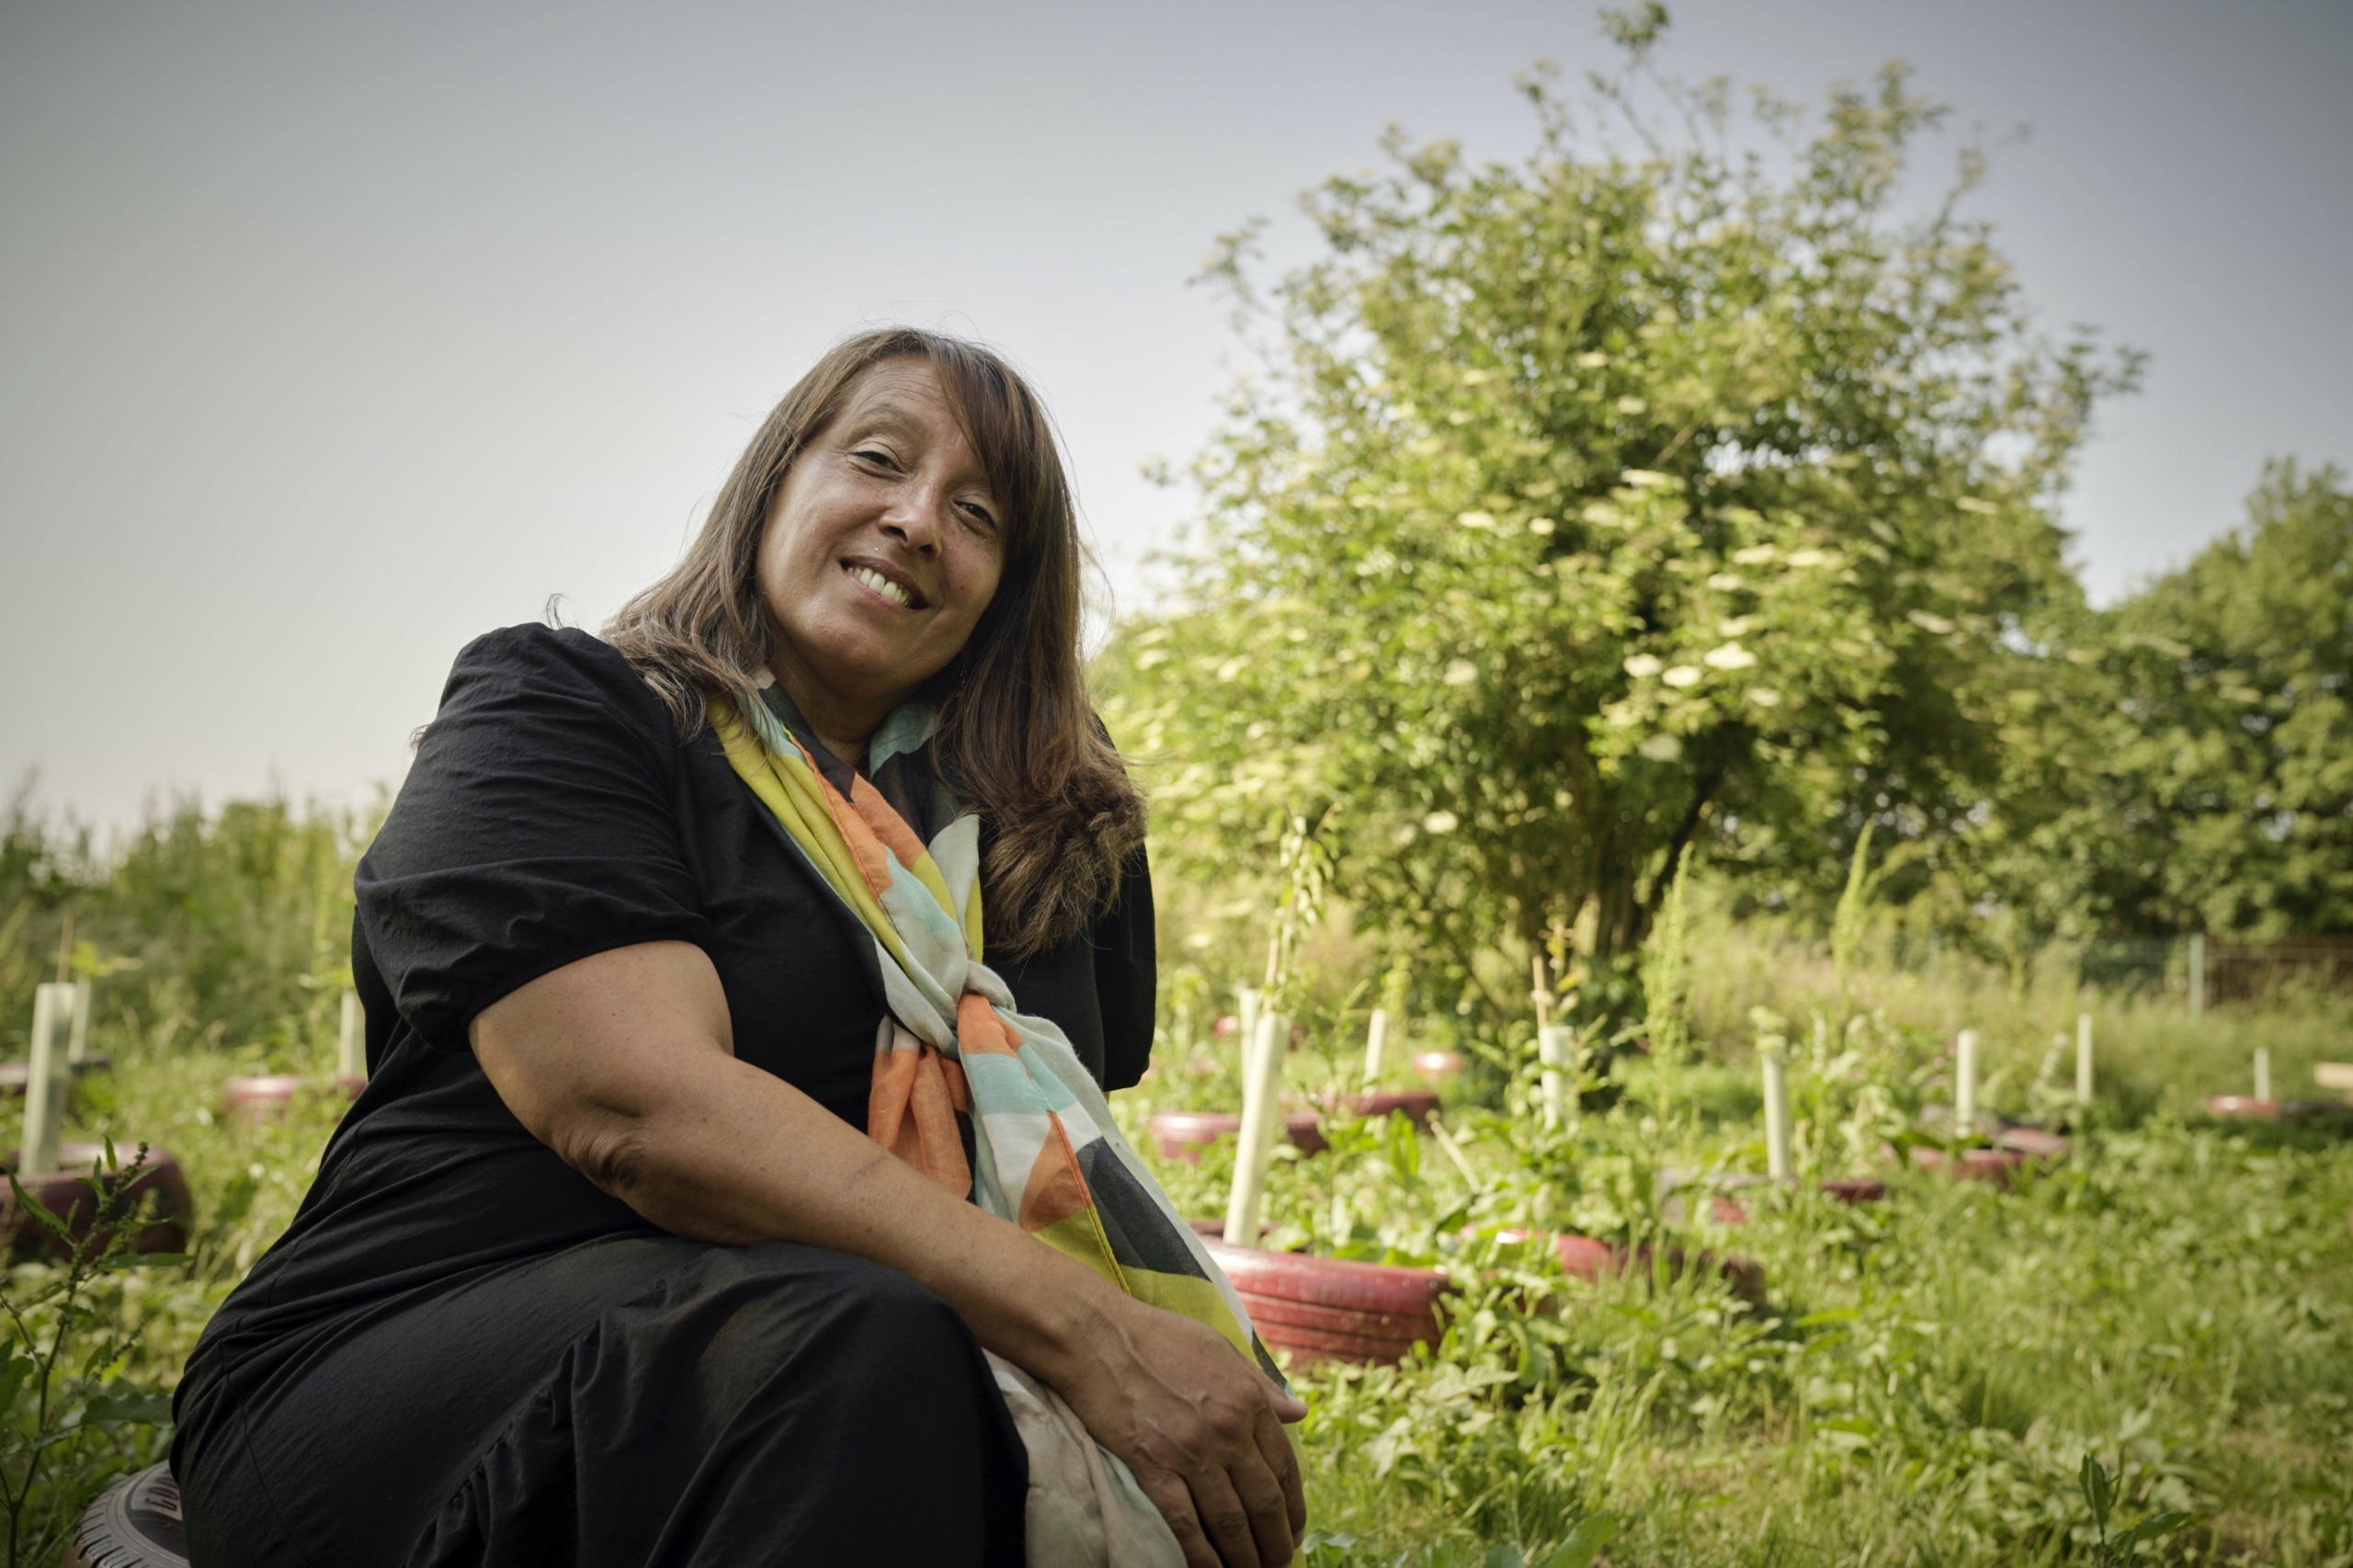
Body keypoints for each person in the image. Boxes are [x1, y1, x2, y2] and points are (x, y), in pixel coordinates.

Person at [172, 329, 1308, 1568]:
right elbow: (637, 1109)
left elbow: (1059, 1186)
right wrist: (1091, 1330)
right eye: (878, 457)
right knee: (862, 1336)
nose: (919, 520)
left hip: (865, 1397)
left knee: (930, 1375)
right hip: (405, 1374)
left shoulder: (1045, 856)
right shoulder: (565, 713)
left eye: (978, 514)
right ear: (777, 481)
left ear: (1006, 588)